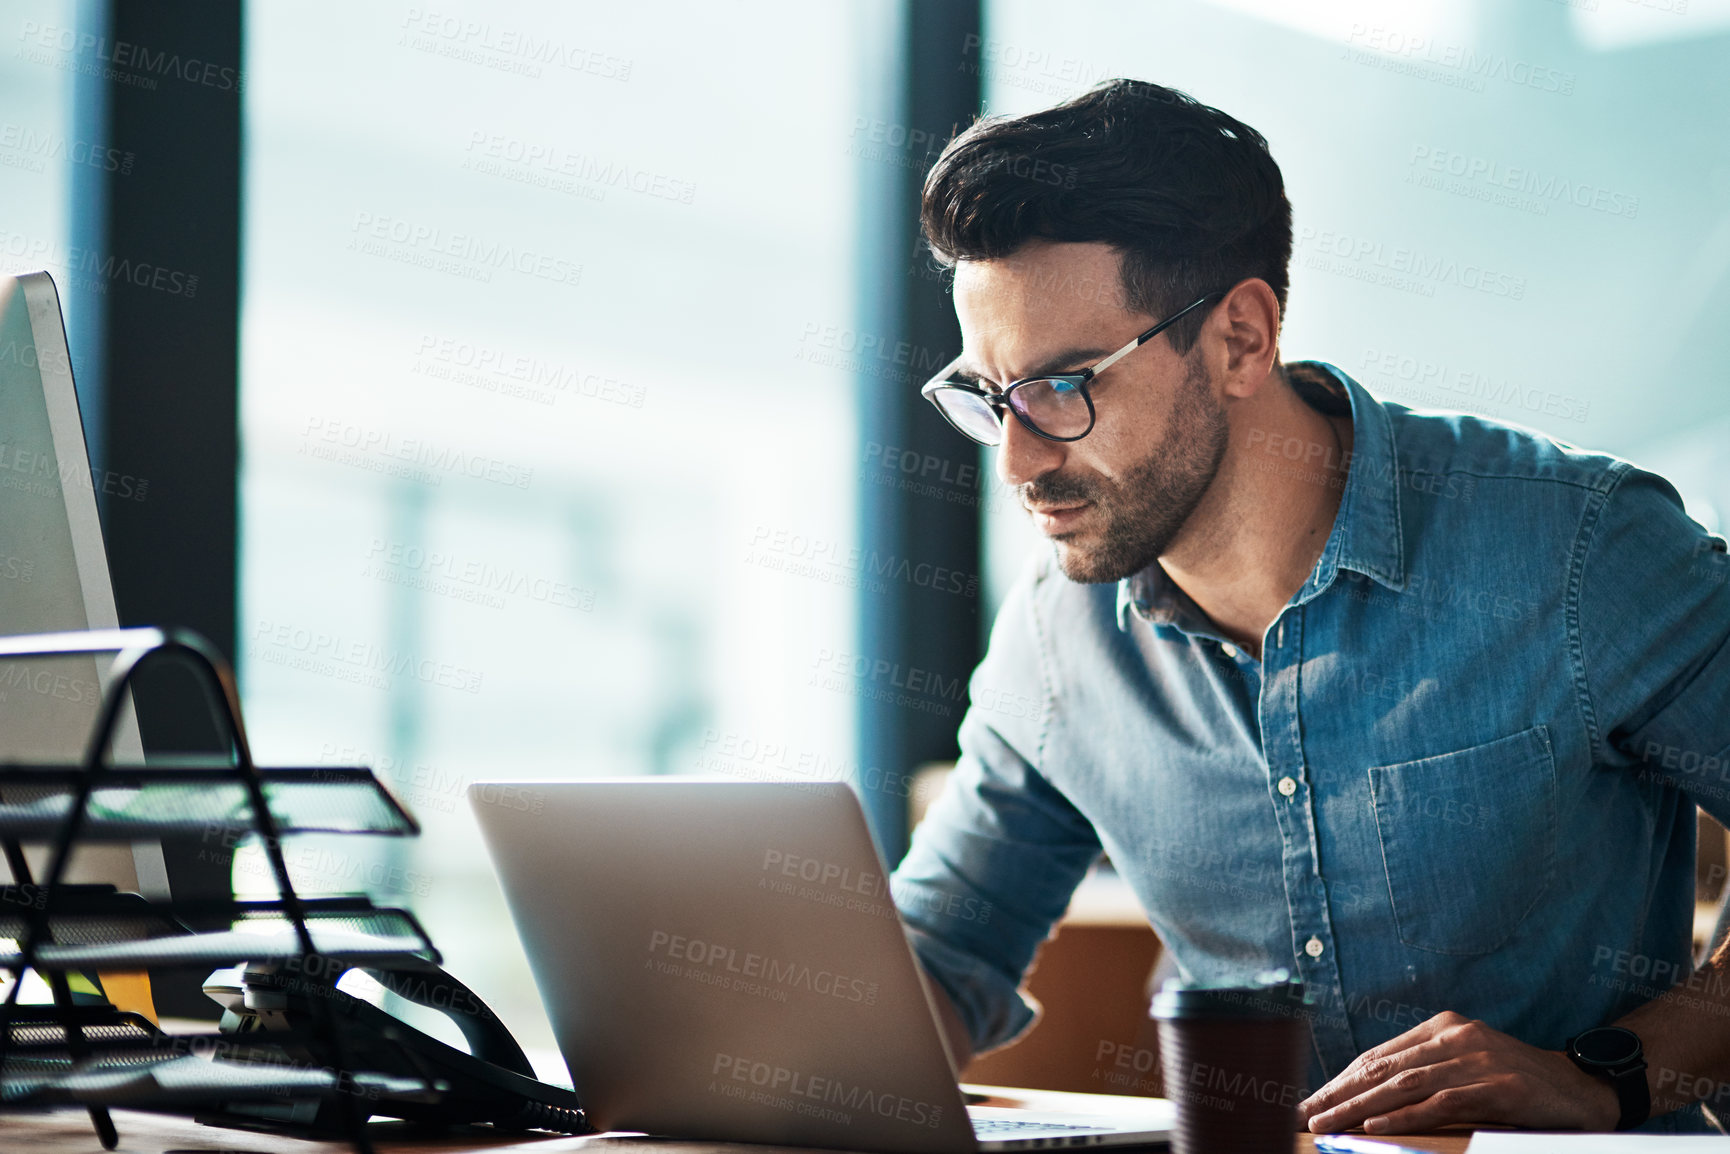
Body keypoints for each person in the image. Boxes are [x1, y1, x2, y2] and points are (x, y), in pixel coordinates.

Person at [889, 77, 1730, 1136]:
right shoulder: (1057, 639)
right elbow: (936, 953)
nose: (1015, 459)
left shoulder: (1571, 550)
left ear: (1240, 336)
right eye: (988, 395)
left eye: (1063, 385)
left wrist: (1608, 1071)